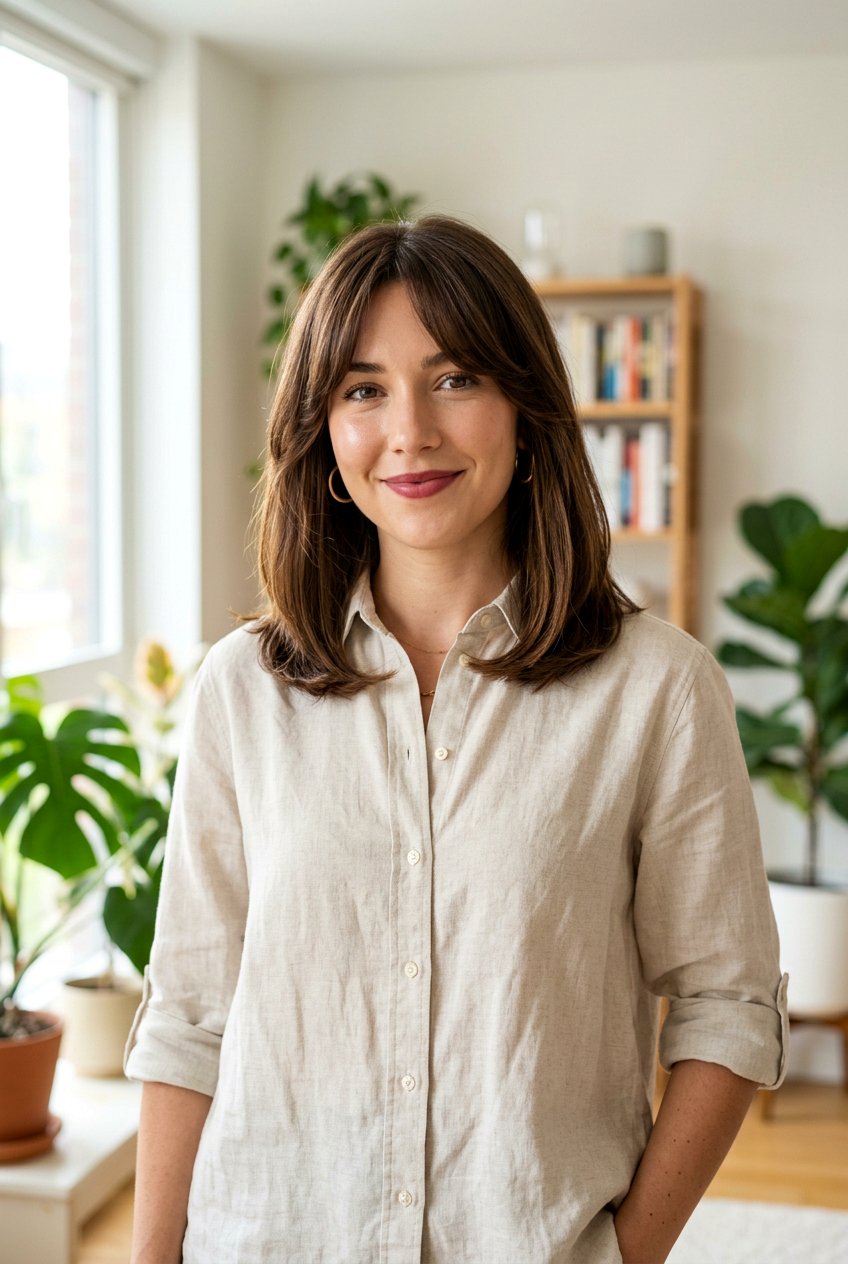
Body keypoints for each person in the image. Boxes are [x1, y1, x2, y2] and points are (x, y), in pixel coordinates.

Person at [125, 215, 788, 1264]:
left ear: (525, 409)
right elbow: (190, 1016)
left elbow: (726, 1005)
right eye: (362, 389)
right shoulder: (238, 692)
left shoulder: (656, 689)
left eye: (454, 378)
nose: (410, 432)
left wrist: (625, 1251)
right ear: (321, 429)